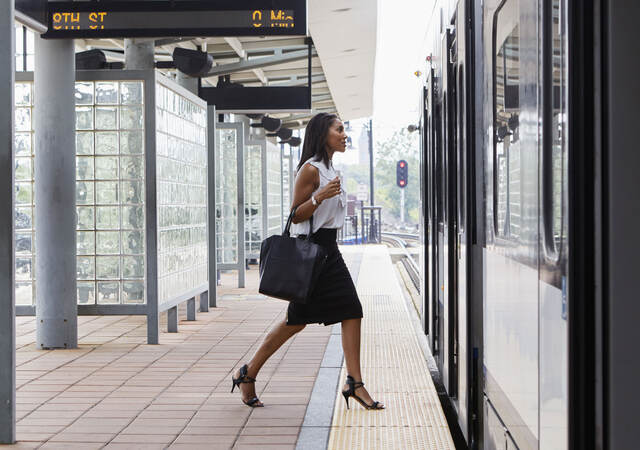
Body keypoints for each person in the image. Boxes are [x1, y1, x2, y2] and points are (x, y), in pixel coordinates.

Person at [231, 113, 384, 410]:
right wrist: (320, 196)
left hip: (329, 251)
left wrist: (327, 196)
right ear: (323, 134)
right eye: (339, 130)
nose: (344, 134)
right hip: (312, 253)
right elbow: (295, 215)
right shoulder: (311, 170)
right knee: (296, 321)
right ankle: (248, 372)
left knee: (350, 310)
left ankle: (354, 382)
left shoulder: (330, 167)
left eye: (344, 129)